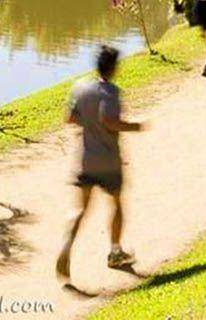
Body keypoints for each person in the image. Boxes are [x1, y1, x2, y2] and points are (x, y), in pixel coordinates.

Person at [57, 45, 145, 281]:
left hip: (86, 159)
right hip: (108, 160)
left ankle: (67, 245)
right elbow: (109, 120)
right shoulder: (111, 92)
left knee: (80, 209)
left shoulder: (81, 87)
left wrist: (89, 125)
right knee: (116, 203)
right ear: (114, 67)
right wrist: (135, 126)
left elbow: (70, 118)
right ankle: (115, 252)